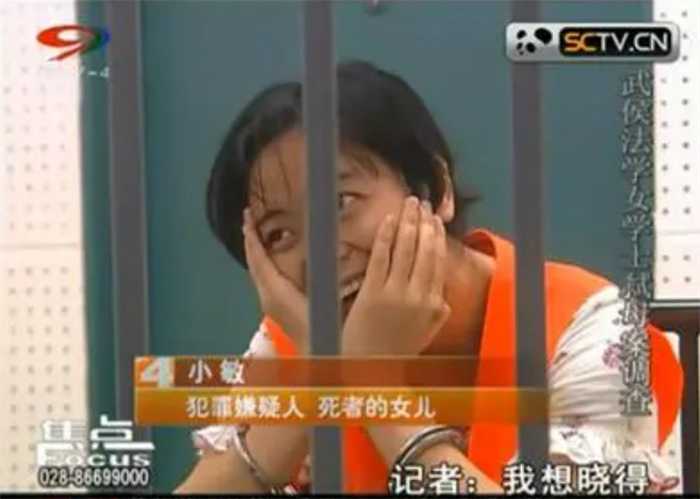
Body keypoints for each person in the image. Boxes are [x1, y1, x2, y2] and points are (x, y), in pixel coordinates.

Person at [175, 60, 683, 494]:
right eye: (279, 234)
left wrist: (375, 388)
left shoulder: (594, 329)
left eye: (340, 202)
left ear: (436, 189)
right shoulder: (296, 336)